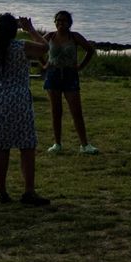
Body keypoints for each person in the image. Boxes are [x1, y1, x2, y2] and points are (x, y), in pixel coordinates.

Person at [0, 14, 50, 205]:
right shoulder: (21, 46)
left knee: (0, 146)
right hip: (18, 97)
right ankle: (29, 191)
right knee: (26, 145)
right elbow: (44, 47)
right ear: (15, 31)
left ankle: (2, 191)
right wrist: (30, 29)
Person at [42, 11, 98, 155]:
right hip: (53, 75)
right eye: (58, 21)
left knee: (76, 111)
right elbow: (36, 49)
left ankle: (85, 144)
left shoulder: (74, 37)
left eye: (64, 21)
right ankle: (57, 143)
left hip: (70, 75)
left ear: (70, 23)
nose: (61, 23)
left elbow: (90, 50)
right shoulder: (50, 36)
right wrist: (44, 64)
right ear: (54, 22)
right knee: (56, 111)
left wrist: (80, 66)